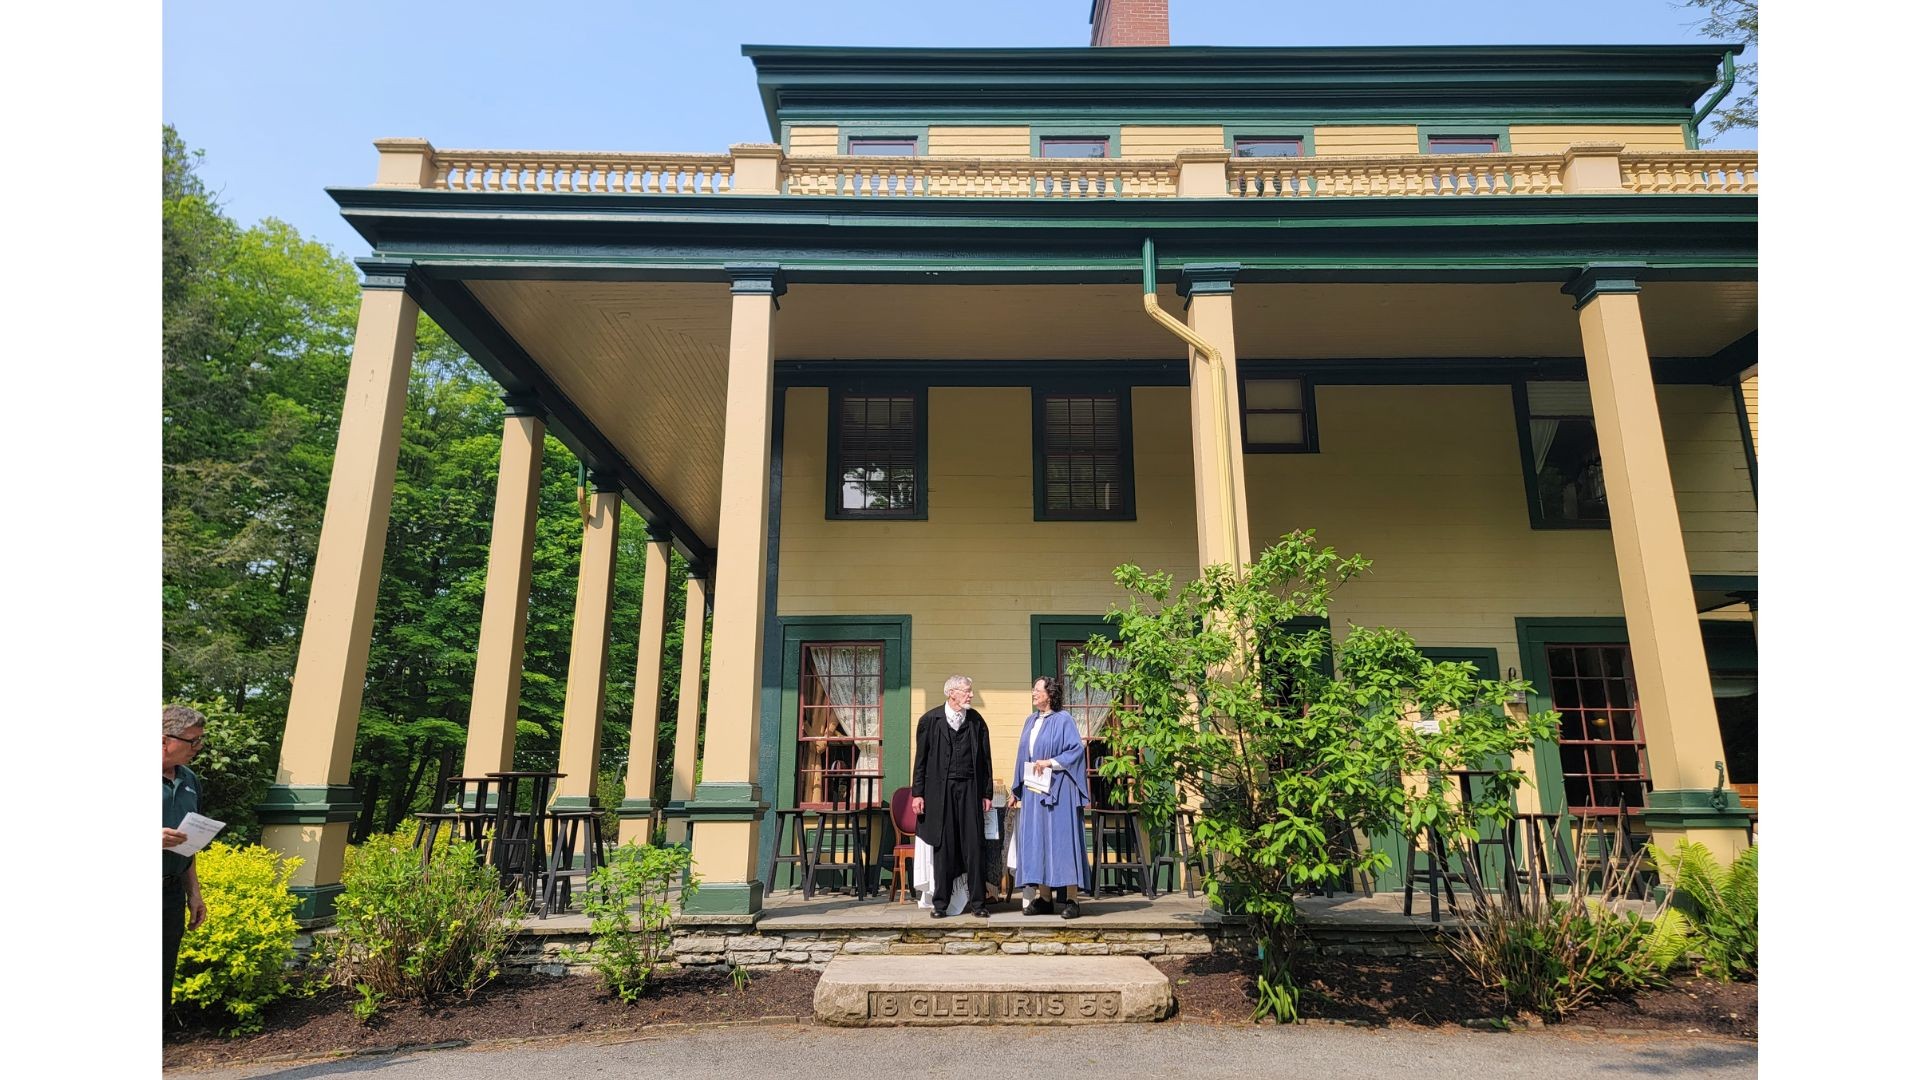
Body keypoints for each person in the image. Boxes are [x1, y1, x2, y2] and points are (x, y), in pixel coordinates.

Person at [910, 675, 994, 919]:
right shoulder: (930, 720)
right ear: (952, 693)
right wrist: (918, 793)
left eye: (970, 690)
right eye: (967, 691)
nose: (971, 695)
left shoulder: (977, 721)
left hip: (970, 787)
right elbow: (921, 761)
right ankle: (940, 904)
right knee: (943, 847)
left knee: (974, 845)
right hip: (940, 791)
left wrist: (986, 792)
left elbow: (985, 760)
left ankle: (978, 903)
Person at [1010, 676, 1091, 918]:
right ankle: (1044, 898)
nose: (1033, 693)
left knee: (1062, 841)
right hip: (1035, 791)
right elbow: (1022, 755)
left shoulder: (1063, 720)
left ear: (1050, 694)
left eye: (1037, 690)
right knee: (1038, 841)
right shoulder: (1030, 721)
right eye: (1033, 689)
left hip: (1059, 790)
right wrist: (1017, 789)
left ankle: (1072, 899)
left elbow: (1075, 749)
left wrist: (1051, 763)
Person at [162, 704, 210, 1014]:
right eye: (193, 741)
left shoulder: (189, 778)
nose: (198, 748)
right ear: (164, 739)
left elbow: (187, 842)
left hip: (168, 895)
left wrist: (194, 892)